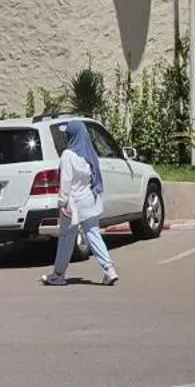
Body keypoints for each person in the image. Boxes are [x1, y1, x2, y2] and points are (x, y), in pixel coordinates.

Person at [41, 120, 118, 287]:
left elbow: (66, 182)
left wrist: (61, 203)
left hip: (73, 203)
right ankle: (109, 269)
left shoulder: (68, 155)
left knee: (66, 238)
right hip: (89, 198)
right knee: (93, 234)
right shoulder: (89, 153)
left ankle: (58, 274)